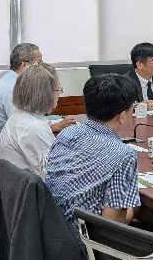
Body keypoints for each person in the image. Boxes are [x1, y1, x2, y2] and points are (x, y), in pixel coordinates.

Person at [46, 74, 141, 229]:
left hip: (54, 230)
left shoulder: (67, 133)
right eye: (133, 107)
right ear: (122, 116)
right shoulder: (122, 154)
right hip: (84, 243)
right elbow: (112, 226)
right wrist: (134, 207)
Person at [0, 43, 74, 159]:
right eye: (39, 62)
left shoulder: (12, 80)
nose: (42, 66)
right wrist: (51, 128)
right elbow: (25, 128)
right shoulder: (11, 88)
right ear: (24, 64)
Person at [0, 63, 61, 179]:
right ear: (45, 94)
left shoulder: (19, 117)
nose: (59, 93)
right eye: (58, 89)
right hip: (28, 195)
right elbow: (53, 177)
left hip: (11, 190)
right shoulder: (34, 128)